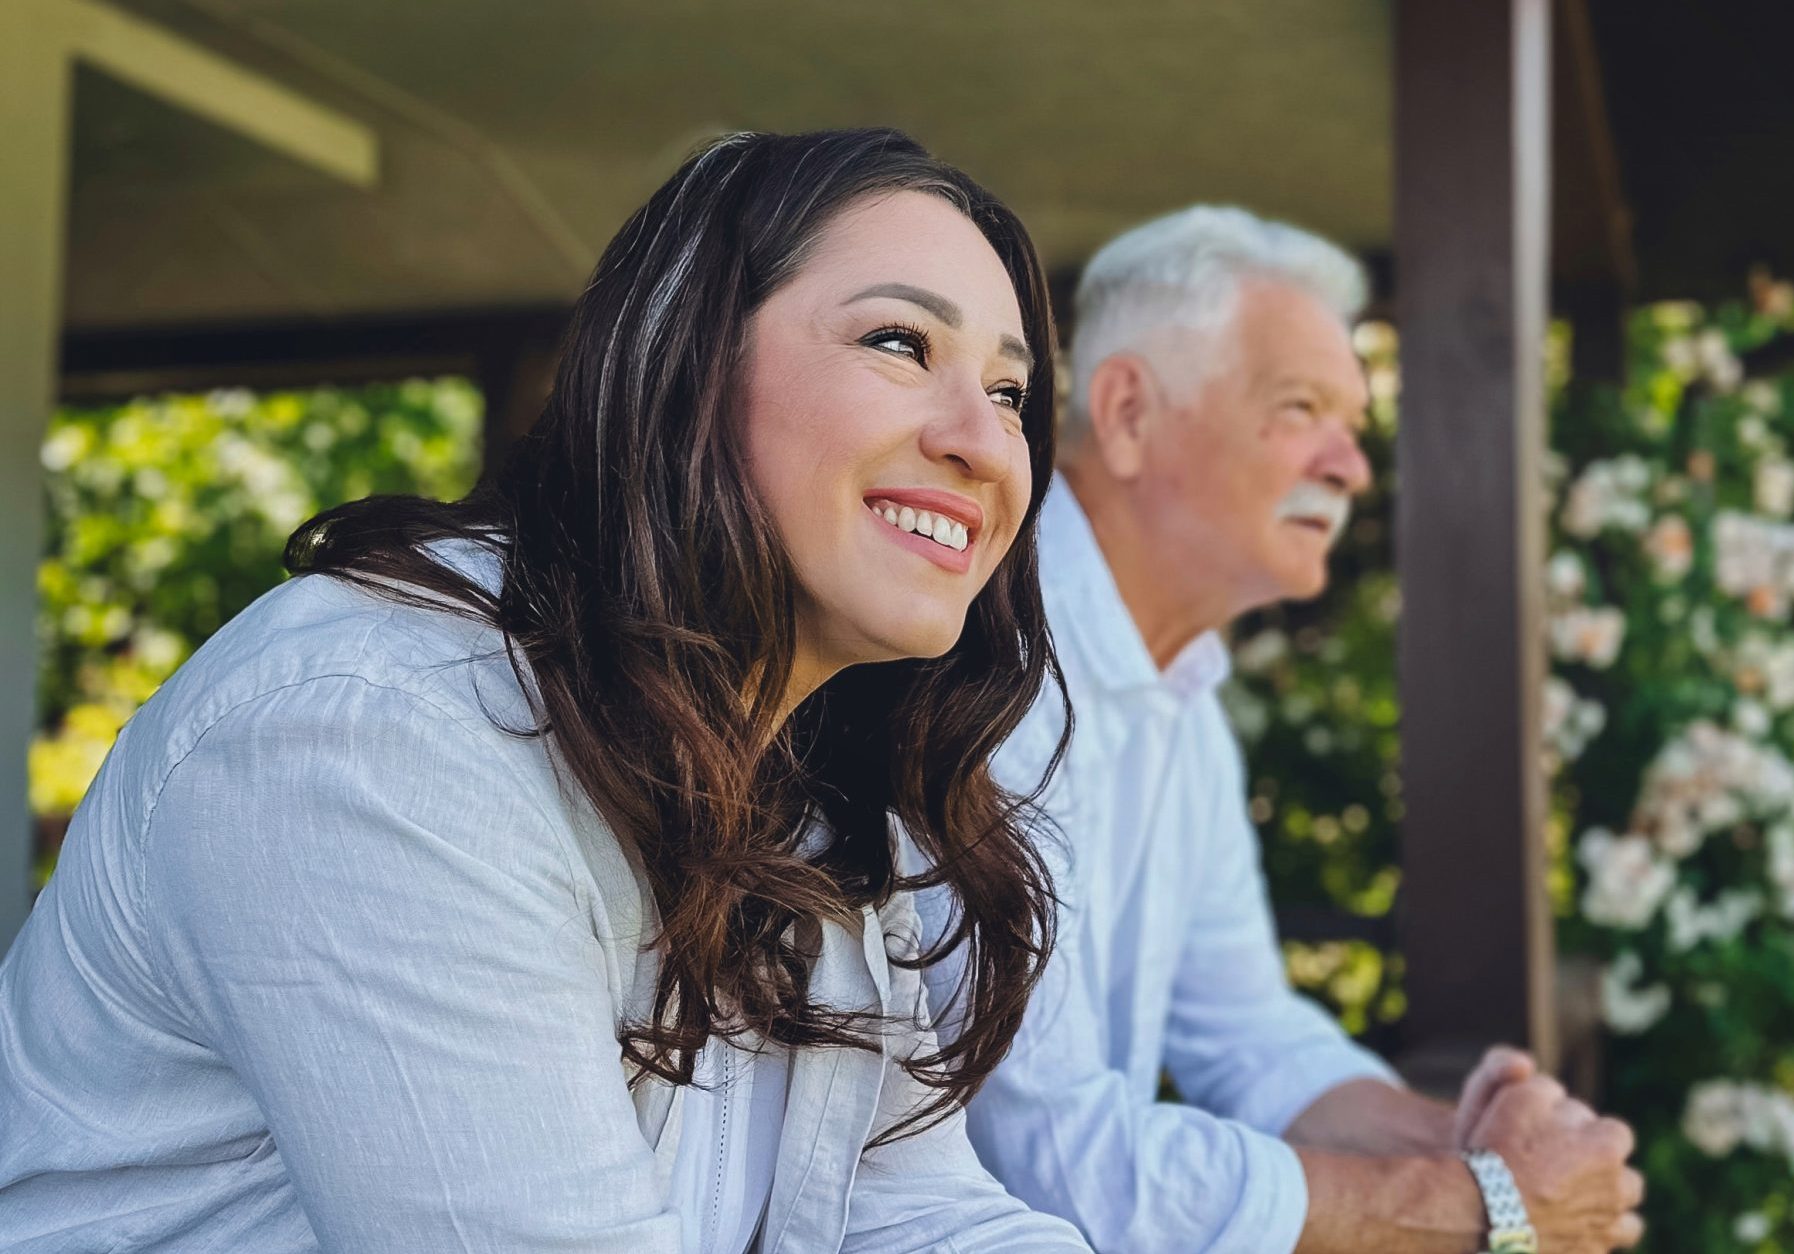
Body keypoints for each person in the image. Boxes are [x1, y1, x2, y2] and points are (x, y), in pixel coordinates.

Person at [0, 128, 1089, 1253]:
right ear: (687, 366)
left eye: (1010, 391)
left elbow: (920, 1219)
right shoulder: (382, 736)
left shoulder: (810, 788)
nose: (985, 443)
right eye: (900, 342)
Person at [916, 206, 1645, 1254]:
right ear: (1126, 413)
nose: (1351, 465)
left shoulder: (1183, 695)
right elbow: (1047, 1160)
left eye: (1352, 421)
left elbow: (1250, 1038)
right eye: (1301, 407)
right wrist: (1487, 1208)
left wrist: (1468, 1144)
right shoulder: (987, 663)